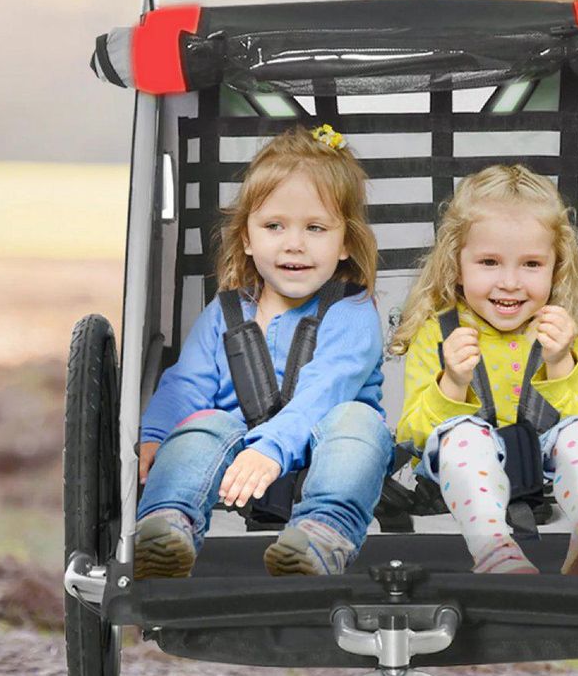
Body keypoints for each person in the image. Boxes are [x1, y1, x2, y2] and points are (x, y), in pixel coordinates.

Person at [134, 125, 393, 580]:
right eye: (275, 226)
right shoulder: (227, 311)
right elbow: (187, 382)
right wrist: (155, 433)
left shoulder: (352, 311)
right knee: (203, 424)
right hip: (237, 453)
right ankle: (167, 528)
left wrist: (272, 448)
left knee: (360, 424)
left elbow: (324, 390)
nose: (293, 243)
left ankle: (321, 536)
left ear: (346, 242)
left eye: (315, 228)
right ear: (248, 238)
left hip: (324, 450)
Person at [392, 164, 578, 577]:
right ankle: (495, 550)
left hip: (550, 476)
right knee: (461, 438)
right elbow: (414, 434)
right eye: (490, 262)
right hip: (465, 479)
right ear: (457, 265)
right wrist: (453, 383)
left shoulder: (562, 329)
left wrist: (561, 361)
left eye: (531, 265)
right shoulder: (438, 332)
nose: (510, 282)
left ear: (556, 267)